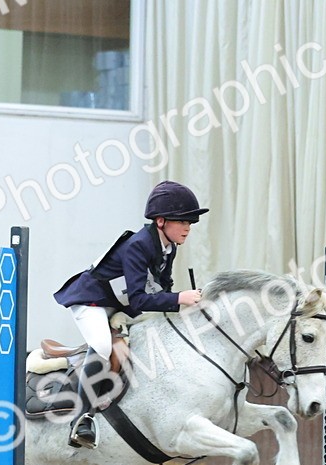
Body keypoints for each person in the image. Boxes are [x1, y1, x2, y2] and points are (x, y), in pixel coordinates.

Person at [53, 180, 209, 448]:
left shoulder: (168, 247)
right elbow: (140, 297)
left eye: (190, 223)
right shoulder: (138, 245)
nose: (187, 228)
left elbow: (161, 289)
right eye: (182, 222)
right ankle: (81, 420)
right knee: (102, 345)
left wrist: (183, 302)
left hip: (120, 305)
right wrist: (180, 298)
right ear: (160, 221)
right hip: (92, 301)